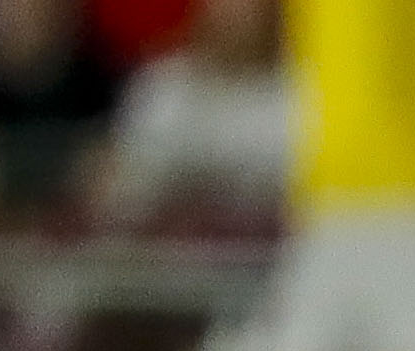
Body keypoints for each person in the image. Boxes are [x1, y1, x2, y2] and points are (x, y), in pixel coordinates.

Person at [95, 0, 284, 227]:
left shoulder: (301, 94)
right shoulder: (161, 87)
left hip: (267, 251)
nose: (232, 15)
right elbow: (120, 191)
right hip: (167, 251)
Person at [0, 0, 122, 229]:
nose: (26, 16)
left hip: (70, 233)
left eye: (39, 8)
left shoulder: (96, 81)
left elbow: (110, 170)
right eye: (15, 7)